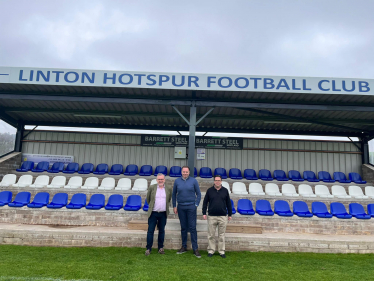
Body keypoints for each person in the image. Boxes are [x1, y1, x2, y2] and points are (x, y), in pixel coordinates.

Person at [172, 166, 202, 258]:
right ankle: (184, 246)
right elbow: (174, 194)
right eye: (183, 172)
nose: (185, 173)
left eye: (186, 172)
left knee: (192, 228)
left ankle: (195, 248)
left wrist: (196, 204)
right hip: (181, 207)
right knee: (183, 227)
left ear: (189, 172)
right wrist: (174, 206)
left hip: (191, 207)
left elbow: (199, 194)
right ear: (181, 172)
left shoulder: (194, 181)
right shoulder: (177, 181)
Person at [202, 175, 232, 258]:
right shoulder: (209, 191)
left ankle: (221, 251)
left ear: (221, 181)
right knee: (211, 235)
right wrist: (204, 213)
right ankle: (211, 250)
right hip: (212, 216)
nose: (217, 182)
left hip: (223, 216)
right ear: (214, 181)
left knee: (221, 235)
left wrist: (230, 214)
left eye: (219, 180)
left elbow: (228, 203)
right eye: (216, 180)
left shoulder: (225, 191)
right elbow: (205, 202)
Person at [145, 173, 172, 256]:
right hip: (153, 213)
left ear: (164, 180)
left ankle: (160, 248)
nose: (160, 181)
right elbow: (148, 199)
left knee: (161, 231)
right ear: (157, 180)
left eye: (162, 179)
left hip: (163, 213)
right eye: (159, 179)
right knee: (150, 231)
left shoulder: (168, 188)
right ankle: (148, 248)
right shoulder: (152, 187)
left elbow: (169, 199)